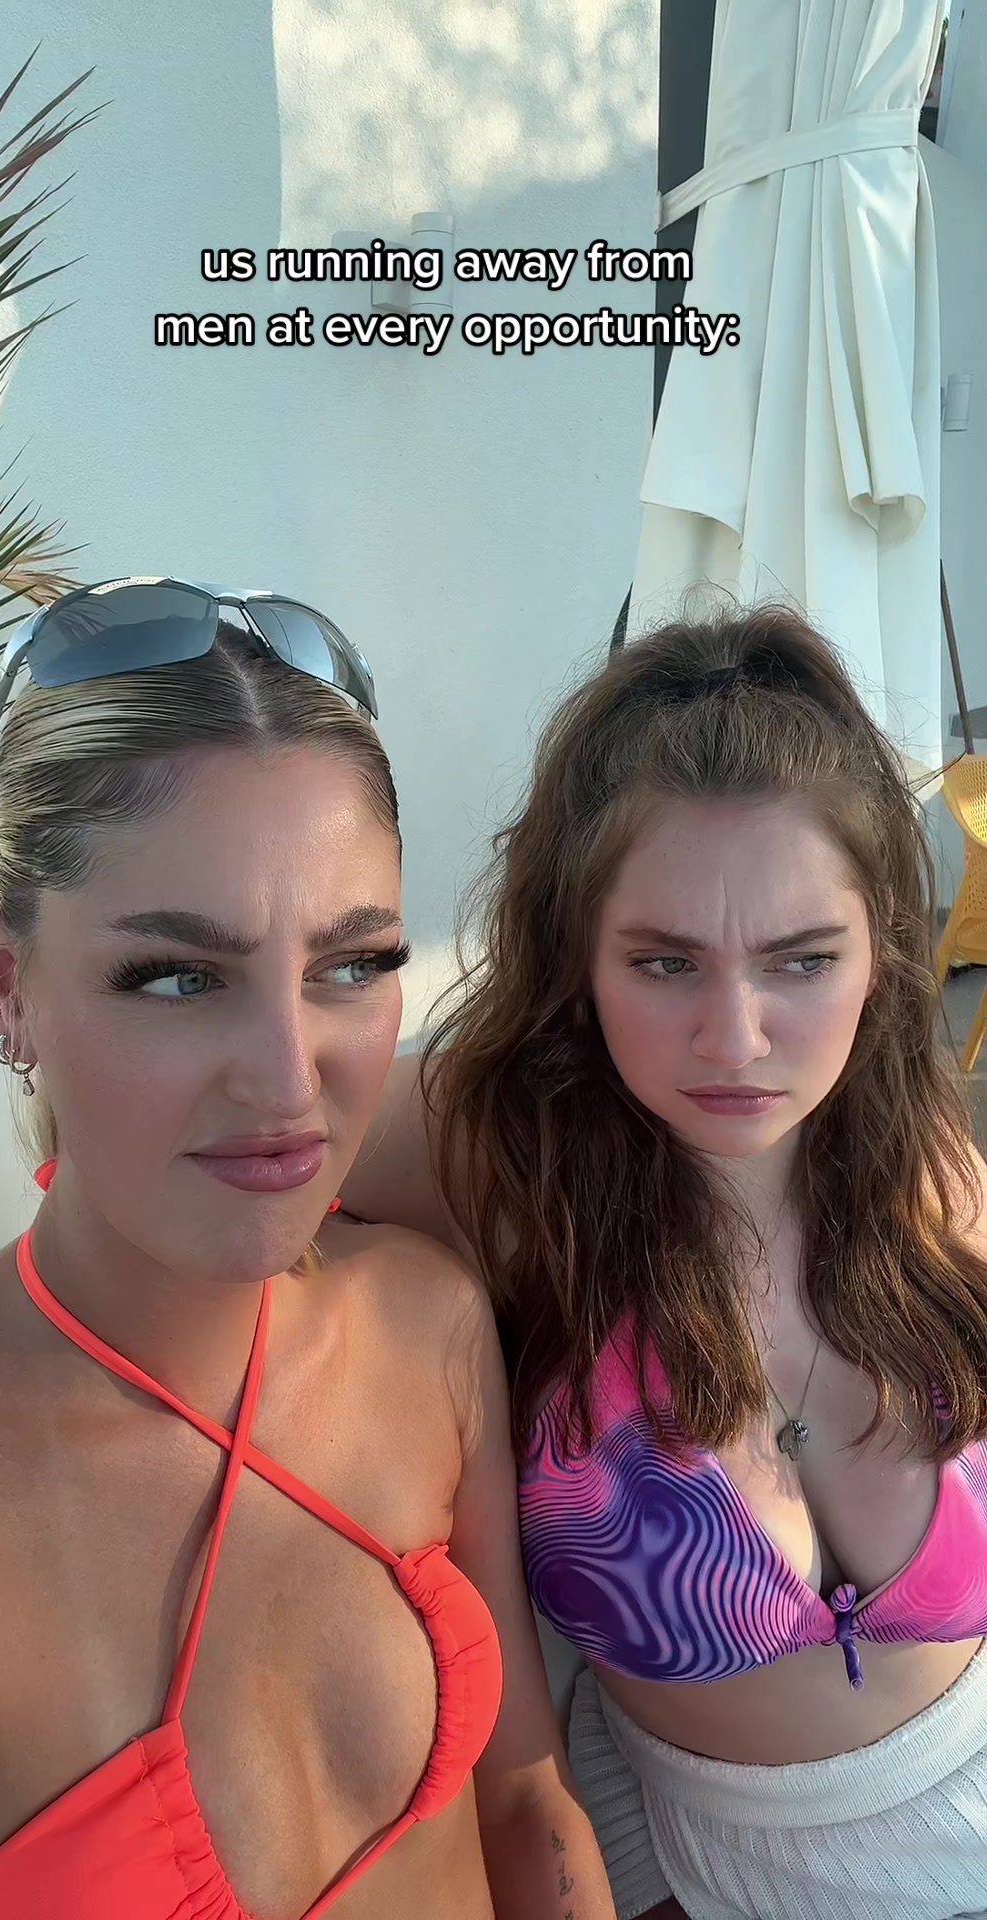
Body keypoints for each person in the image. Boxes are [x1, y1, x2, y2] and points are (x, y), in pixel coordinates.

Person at [0, 579, 616, 1920]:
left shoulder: (423, 1327)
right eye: (179, 977)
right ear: (5, 979)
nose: (291, 1083)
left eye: (352, 965)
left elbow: (527, 1809)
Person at [342, 603, 987, 1920]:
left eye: (803, 961)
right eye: (664, 963)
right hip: (715, 1870)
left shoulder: (925, 1169)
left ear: (878, 953)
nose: (737, 1037)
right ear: (577, 958)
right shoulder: (501, 1165)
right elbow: (237, 1122)